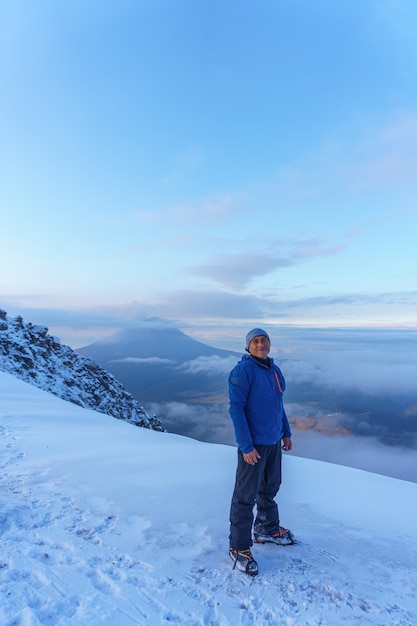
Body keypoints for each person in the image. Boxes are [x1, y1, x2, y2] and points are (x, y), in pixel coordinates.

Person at [228, 328, 294, 576]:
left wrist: (285, 433)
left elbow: (279, 406)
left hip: (273, 441)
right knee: (245, 496)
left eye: (264, 340)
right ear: (248, 346)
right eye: (255, 341)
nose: (260, 344)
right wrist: (246, 446)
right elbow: (236, 409)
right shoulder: (243, 371)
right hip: (253, 446)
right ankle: (239, 546)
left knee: (270, 487)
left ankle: (266, 528)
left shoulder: (274, 370)